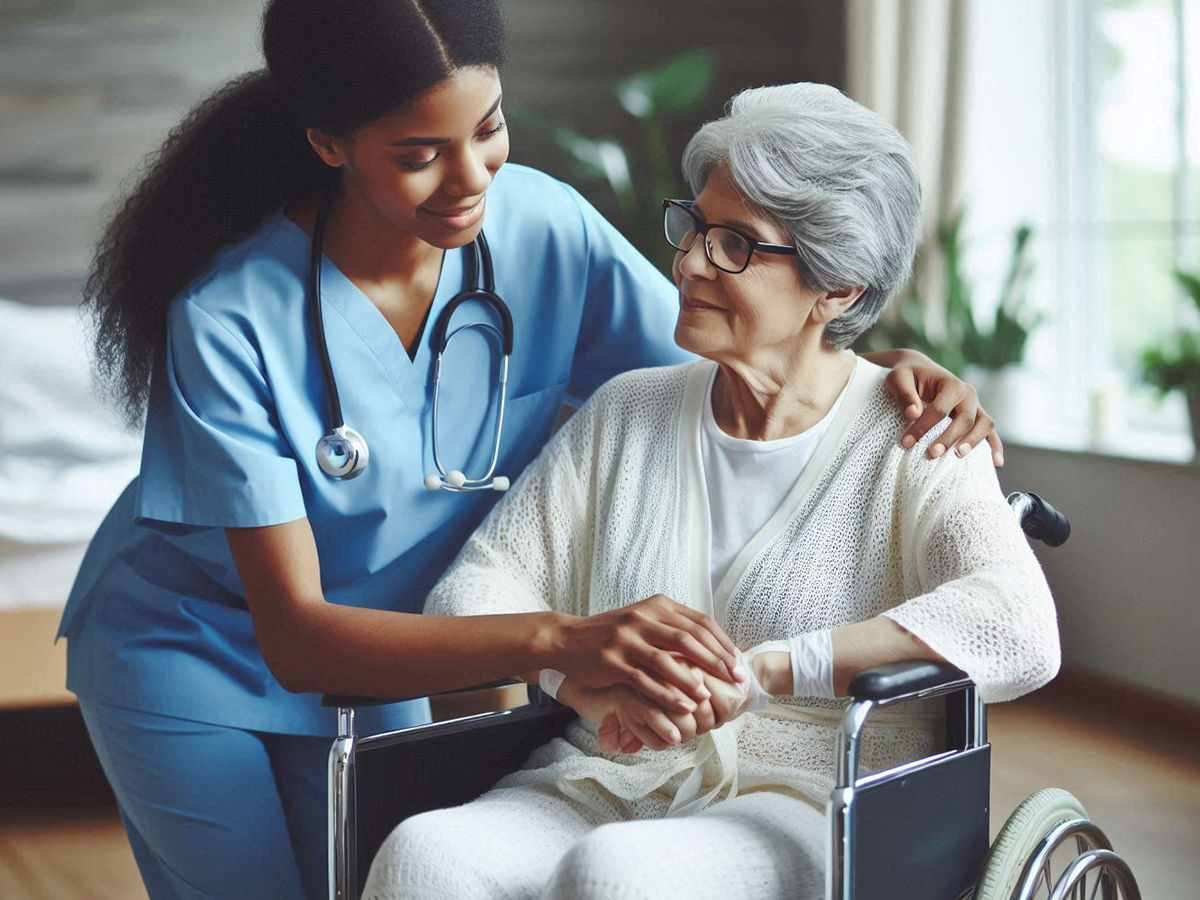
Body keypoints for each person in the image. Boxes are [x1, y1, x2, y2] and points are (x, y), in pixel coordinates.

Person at [59, 3, 1004, 899]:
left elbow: (731, 352)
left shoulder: (543, 229)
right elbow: (298, 636)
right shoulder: (228, 317)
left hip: (393, 639)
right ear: (329, 144)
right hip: (196, 650)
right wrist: (562, 640)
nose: (471, 178)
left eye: (490, 127)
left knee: (383, 874)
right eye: (420, 154)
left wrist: (880, 369)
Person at [363, 82, 1060, 900]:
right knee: (423, 854)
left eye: (735, 243)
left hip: (811, 800)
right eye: (694, 225)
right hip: (606, 777)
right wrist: (578, 674)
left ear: (836, 289)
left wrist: (763, 672)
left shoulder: (918, 437)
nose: (689, 260)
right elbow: (470, 592)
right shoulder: (628, 410)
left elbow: (1018, 627)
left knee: (618, 876)